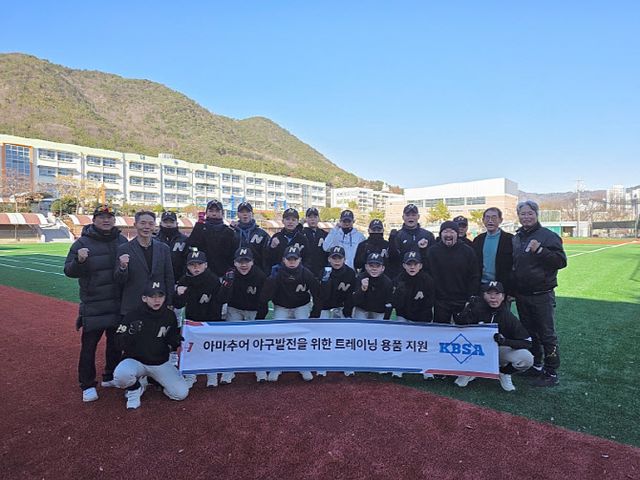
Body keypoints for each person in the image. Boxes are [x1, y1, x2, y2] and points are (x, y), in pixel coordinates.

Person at [64, 204, 128, 403]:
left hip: (117, 303)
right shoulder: (82, 243)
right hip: (94, 303)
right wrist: (80, 261)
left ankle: (110, 375)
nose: (106, 220)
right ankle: (87, 384)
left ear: (114, 220)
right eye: (101, 217)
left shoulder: (122, 240)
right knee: (89, 347)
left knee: (116, 344)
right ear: (94, 220)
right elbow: (69, 271)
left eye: (109, 217)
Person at [512, 200, 567, 387]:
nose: (526, 217)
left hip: (542, 294)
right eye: (522, 214)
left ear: (536, 215)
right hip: (522, 294)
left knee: (546, 334)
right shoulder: (517, 237)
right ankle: (535, 365)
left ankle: (551, 371)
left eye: (530, 213)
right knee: (529, 332)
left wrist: (541, 250)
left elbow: (561, 261)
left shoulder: (548, 236)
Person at [113, 281, 188, 409]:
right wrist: (130, 333)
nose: (157, 300)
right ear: (144, 298)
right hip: (136, 361)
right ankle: (135, 388)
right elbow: (118, 344)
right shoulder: (132, 315)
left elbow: (170, 340)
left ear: (165, 297)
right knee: (121, 376)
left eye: (160, 296)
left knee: (180, 393)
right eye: (152, 296)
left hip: (159, 362)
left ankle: (150, 379)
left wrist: (175, 340)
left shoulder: (169, 315)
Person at [453, 281, 534, 392]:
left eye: (497, 294)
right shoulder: (476, 309)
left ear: (503, 297)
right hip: (473, 350)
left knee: (527, 358)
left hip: (497, 351)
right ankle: (471, 369)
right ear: (484, 295)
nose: (493, 297)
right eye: (489, 294)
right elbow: (458, 327)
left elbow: (527, 342)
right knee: (460, 383)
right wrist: (467, 309)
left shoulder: (507, 316)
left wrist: (505, 341)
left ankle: (504, 372)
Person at [260, 245, 321, 382]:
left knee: (303, 336)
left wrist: (315, 312)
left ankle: (303, 366)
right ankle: (277, 366)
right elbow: (264, 297)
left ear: (300, 260)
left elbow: (317, 293)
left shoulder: (306, 273)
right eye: (289, 259)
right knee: (278, 336)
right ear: (283, 260)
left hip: (301, 306)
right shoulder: (277, 273)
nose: (292, 262)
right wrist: (271, 281)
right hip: (282, 306)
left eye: (295, 259)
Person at [173, 250, 225, 387]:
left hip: (210, 320)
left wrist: (211, 322)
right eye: (192, 265)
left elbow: (218, 303)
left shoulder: (213, 280)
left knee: (211, 349)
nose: (196, 267)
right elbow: (178, 304)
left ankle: (212, 375)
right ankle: (191, 375)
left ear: (206, 265)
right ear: (187, 266)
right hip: (192, 320)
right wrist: (178, 294)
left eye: (199, 264)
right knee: (191, 349)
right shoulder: (184, 280)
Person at [217, 247, 269, 382]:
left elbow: (264, 301)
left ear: (252, 262)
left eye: (247, 261)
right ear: (235, 263)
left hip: (254, 310)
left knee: (257, 340)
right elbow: (221, 298)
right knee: (232, 339)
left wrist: (259, 319)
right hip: (235, 309)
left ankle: (260, 368)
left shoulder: (260, 276)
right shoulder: (230, 275)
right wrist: (227, 284)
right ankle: (229, 370)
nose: (243, 265)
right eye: (240, 262)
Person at [114, 211, 174, 316]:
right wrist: (122, 267)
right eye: (143, 223)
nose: (147, 227)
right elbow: (119, 280)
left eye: (151, 224)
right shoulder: (124, 249)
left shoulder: (163, 248)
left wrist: (169, 301)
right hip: (133, 305)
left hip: (157, 304)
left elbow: (169, 276)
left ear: (155, 226)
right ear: (135, 225)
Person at [311, 245, 356, 377]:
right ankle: (322, 366)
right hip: (325, 306)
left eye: (339, 258)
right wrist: (316, 312)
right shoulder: (324, 272)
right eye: (334, 258)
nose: (337, 261)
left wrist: (347, 312)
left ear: (344, 259)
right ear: (329, 259)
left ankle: (346, 365)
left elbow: (351, 295)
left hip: (342, 306)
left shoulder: (350, 273)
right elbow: (320, 295)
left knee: (344, 337)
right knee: (323, 336)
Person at [427, 221, 480, 323]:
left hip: (462, 300)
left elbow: (474, 275)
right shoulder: (432, 252)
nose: (448, 235)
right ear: (440, 234)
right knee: (441, 328)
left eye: (452, 232)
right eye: (445, 232)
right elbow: (428, 275)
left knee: (463, 329)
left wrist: (471, 296)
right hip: (440, 301)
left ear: (457, 234)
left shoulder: (468, 251)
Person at [186, 200, 236, 277]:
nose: (214, 213)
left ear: (222, 213)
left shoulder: (228, 230)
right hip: (203, 273)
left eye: (217, 211)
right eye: (211, 211)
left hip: (223, 272)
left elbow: (231, 251)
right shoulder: (200, 227)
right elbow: (192, 245)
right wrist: (199, 225)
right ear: (206, 212)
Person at [472, 207, 514, 293]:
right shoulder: (478, 240)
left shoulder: (510, 239)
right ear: (483, 220)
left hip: (502, 286)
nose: (490, 221)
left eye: (494, 217)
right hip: (482, 285)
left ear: (500, 220)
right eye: (487, 217)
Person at [388, 204, 436, 279]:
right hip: (403, 278)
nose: (411, 217)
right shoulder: (397, 236)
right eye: (407, 215)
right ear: (403, 217)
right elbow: (393, 259)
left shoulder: (428, 235)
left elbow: (432, 258)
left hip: (423, 277)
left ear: (418, 216)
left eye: (413, 215)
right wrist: (391, 241)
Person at [392, 251, 435, 323]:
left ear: (420, 266)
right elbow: (395, 304)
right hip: (403, 316)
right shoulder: (398, 280)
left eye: (415, 264)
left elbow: (430, 303)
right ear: (404, 265)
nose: (412, 267)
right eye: (409, 264)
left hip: (422, 318)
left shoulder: (428, 281)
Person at [352, 253, 393, 320]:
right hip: (362, 309)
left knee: (380, 324)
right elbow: (354, 301)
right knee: (359, 320)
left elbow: (389, 304)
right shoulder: (360, 277)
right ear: (366, 266)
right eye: (371, 266)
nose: (374, 269)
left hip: (379, 311)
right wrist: (362, 289)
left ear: (383, 268)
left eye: (378, 266)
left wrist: (386, 320)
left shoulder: (387, 282)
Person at [266, 208, 309, 272]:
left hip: (298, 273)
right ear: (283, 221)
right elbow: (268, 259)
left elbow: (307, 259)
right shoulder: (276, 237)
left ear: (297, 222)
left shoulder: (303, 239)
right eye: (287, 219)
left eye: (293, 220)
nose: (290, 222)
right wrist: (272, 247)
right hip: (279, 273)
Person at [232, 202, 270, 274]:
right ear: (238, 214)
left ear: (252, 214)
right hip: (235, 272)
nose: (245, 214)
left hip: (256, 273)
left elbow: (267, 256)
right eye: (242, 212)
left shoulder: (262, 234)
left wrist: (265, 273)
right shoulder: (231, 232)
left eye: (248, 212)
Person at [156, 211, 188, 282]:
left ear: (176, 224)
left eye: (171, 222)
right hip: (158, 280)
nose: (168, 225)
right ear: (160, 223)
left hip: (179, 280)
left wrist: (183, 279)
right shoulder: (154, 239)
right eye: (165, 222)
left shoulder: (185, 240)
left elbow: (187, 261)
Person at [301, 207, 328, 279]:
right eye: (310, 217)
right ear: (306, 219)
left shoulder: (325, 234)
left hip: (321, 271)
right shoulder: (301, 234)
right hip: (305, 271)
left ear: (318, 218)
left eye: (315, 217)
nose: (312, 219)